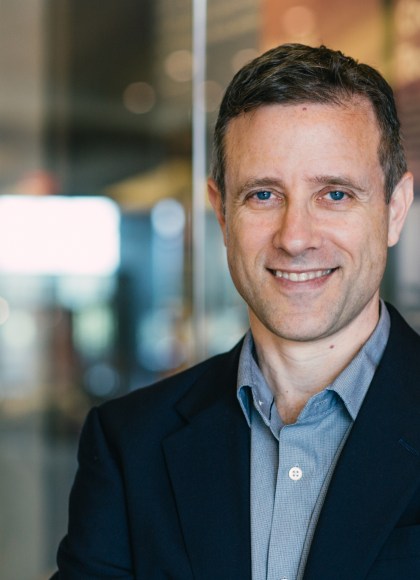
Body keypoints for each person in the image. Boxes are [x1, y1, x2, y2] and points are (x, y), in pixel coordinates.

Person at [52, 44, 420, 579]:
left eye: (336, 195)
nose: (295, 238)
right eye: (264, 195)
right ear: (222, 214)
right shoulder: (129, 445)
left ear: (395, 210)